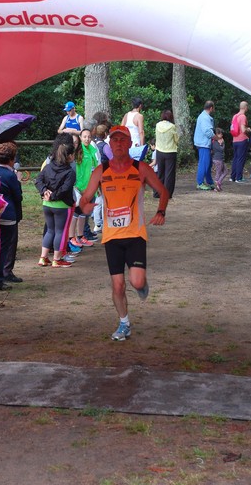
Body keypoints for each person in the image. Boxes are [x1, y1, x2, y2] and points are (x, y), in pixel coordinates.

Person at [79, 125, 169, 342]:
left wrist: (161, 211)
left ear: (130, 144)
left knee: (136, 282)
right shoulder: (101, 171)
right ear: (110, 145)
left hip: (135, 234)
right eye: (115, 140)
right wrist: (86, 206)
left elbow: (163, 191)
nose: (118, 143)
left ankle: (141, 284)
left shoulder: (141, 168)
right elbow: (85, 198)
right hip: (111, 237)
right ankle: (124, 323)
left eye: (123, 140)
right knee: (118, 284)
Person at [0, 142, 23, 290]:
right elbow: (17, 196)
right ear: (11, 159)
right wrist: (17, 181)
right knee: (2, 248)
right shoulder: (10, 174)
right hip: (7, 214)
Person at [35, 136, 76, 267]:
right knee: (60, 231)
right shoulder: (70, 171)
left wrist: (44, 191)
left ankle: (43, 257)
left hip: (47, 204)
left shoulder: (48, 166)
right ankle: (57, 259)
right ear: (69, 156)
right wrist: (52, 196)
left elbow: (38, 180)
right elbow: (65, 189)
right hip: (61, 205)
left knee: (50, 230)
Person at [68, 128, 99, 248]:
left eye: (89, 137)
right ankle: (72, 237)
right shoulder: (78, 151)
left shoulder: (92, 149)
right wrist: (79, 187)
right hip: (80, 188)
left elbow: (95, 167)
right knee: (76, 213)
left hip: (91, 187)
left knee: (83, 213)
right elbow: (77, 171)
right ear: (81, 137)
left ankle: (81, 236)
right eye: (85, 136)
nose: (87, 139)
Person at [155, 109, 179, 199]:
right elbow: (176, 139)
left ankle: (157, 193)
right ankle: (167, 194)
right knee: (169, 174)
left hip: (159, 151)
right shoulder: (172, 127)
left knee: (160, 172)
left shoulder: (157, 125)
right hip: (170, 151)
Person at [193, 101, 215, 190]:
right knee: (204, 163)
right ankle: (200, 182)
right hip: (203, 144)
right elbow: (207, 131)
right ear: (211, 108)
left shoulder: (203, 116)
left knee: (208, 163)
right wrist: (216, 138)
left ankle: (209, 181)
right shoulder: (205, 118)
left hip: (203, 143)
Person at [230, 101, 251, 183]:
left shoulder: (235, 116)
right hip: (242, 140)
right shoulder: (243, 117)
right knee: (240, 159)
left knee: (235, 158)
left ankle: (233, 177)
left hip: (234, 140)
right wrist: (248, 129)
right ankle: (239, 178)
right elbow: (243, 129)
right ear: (246, 107)